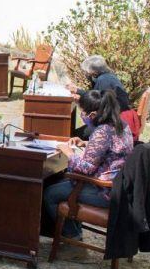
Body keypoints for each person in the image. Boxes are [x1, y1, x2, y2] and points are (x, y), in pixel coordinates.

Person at [43, 90, 134, 241]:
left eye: (83, 112)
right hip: (119, 186)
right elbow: (112, 148)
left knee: (50, 193)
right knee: (61, 184)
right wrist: (85, 143)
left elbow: (86, 168)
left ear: (92, 114)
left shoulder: (102, 132)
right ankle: (74, 230)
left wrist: (68, 152)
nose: (83, 115)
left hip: (104, 191)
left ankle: (72, 235)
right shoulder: (121, 124)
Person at [65, 55, 140, 140]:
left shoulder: (103, 80)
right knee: (77, 132)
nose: (87, 74)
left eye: (87, 72)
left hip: (114, 122)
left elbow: (97, 101)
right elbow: (97, 94)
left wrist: (80, 99)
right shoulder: (108, 76)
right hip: (116, 116)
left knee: (74, 135)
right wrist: (78, 91)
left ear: (93, 71)